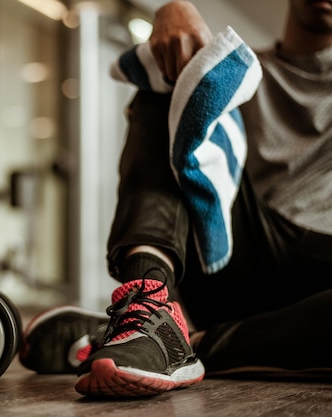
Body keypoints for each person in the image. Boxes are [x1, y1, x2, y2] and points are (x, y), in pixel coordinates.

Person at [19, 0, 332, 398]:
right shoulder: (239, 68)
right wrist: (172, 9)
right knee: (177, 75)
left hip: (320, 286)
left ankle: (177, 341)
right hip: (230, 261)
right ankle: (149, 298)